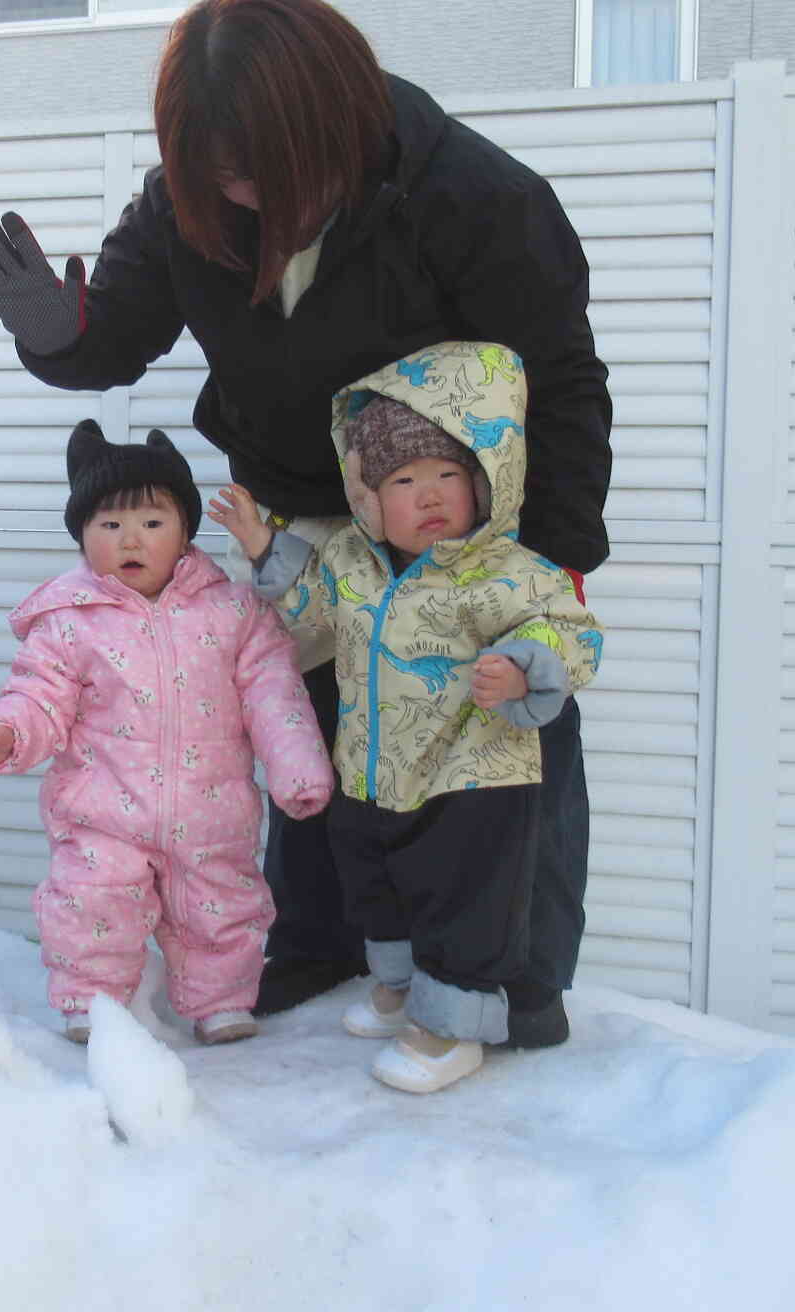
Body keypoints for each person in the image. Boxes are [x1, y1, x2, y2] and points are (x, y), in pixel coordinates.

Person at [0, 0, 611, 1044]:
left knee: (492, 752)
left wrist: (553, 560)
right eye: (219, 174)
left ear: (334, 120)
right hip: (299, 515)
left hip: (453, 534)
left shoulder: (471, 196)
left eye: (260, 171)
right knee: (310, 738)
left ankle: (515, 988)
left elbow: (564, 383)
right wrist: (53, 332)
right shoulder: (185, 199)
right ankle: (316, 945)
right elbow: (111, 337)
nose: (242, 194)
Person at [211, 341, 603, 1091]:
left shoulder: (510, 571)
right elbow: (314, 612)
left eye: (449, 474)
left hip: (473, 776)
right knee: (376, 882)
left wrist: (525, 662)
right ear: (367, 498)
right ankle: (396, 987)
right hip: (372, 765)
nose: (428, 496)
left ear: (485, 482)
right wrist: (266, 546)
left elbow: (572, 631)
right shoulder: (356, 566)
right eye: (404, 479)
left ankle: (452, 1029)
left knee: (465, 903)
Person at [0, 421, 332, 1046]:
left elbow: (274, 693)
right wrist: (6, 734)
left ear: (184, 533)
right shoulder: (69, 624)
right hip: (103, 811)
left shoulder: (234, 610)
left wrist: (298, 769)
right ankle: (93, 1002)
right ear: (82, 538)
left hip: (211, 809)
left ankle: (222, 1002)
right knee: (92, 903)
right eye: (109, 525)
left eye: (153, 523)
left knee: (220, 906)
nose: (132, 538)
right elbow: (38, 696)